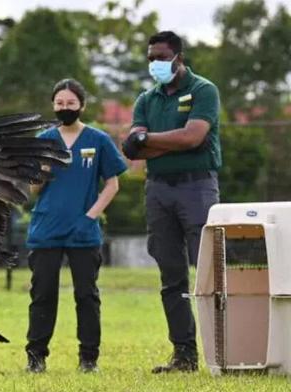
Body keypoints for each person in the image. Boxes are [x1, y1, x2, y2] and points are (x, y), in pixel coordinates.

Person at [122, 31, 221, 373]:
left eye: (161, 58)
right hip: (159, 190)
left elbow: (194, 137)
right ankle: (184, 355)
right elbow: (132, 149)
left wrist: (148, 139)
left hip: (197, 189)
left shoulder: (203, 90)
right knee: (171, 276)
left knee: (209, 272)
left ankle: (225, 352)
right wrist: (169, 141)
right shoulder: (146, 99)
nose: (155, 64)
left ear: (178, 57)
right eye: (150, 58)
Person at [25, 78, 127, 373]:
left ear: (82, 105)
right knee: (43, 294)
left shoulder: (98, 140)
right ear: (53, 106)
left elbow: (113, 184)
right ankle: (36, 357)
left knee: (87, 295)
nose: (65, 108)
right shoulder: (43, 139)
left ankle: (88, 358)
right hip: (46, 230)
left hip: (83, 231)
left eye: (70, 103)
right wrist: (42, 170)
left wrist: (90, 216)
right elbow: (33, 189)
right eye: (59, 104)